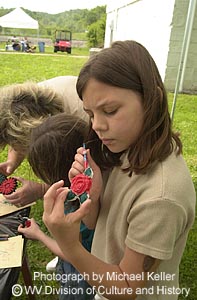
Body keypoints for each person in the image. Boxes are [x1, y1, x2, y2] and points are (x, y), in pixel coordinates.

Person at [42, 40, 196, 300]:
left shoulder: (162, 196)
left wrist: (69, 244)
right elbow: (103, 225)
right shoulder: (129, 148)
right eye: (91, 114)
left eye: (110, 111)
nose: (98, 125)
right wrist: (93, 197)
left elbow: (125, 288)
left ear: (152, 99)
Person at [18, 113, 94, 300]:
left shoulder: (77, 206)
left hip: (81, 280)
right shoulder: (93, 185)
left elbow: (73, 253)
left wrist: (39, 234)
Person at [0, 76, 89, 206]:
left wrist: (42, 190)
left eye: (17, 144)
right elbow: (14, 122)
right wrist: (11, 162)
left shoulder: (87, 122)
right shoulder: (30, 99)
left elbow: (92, 179)